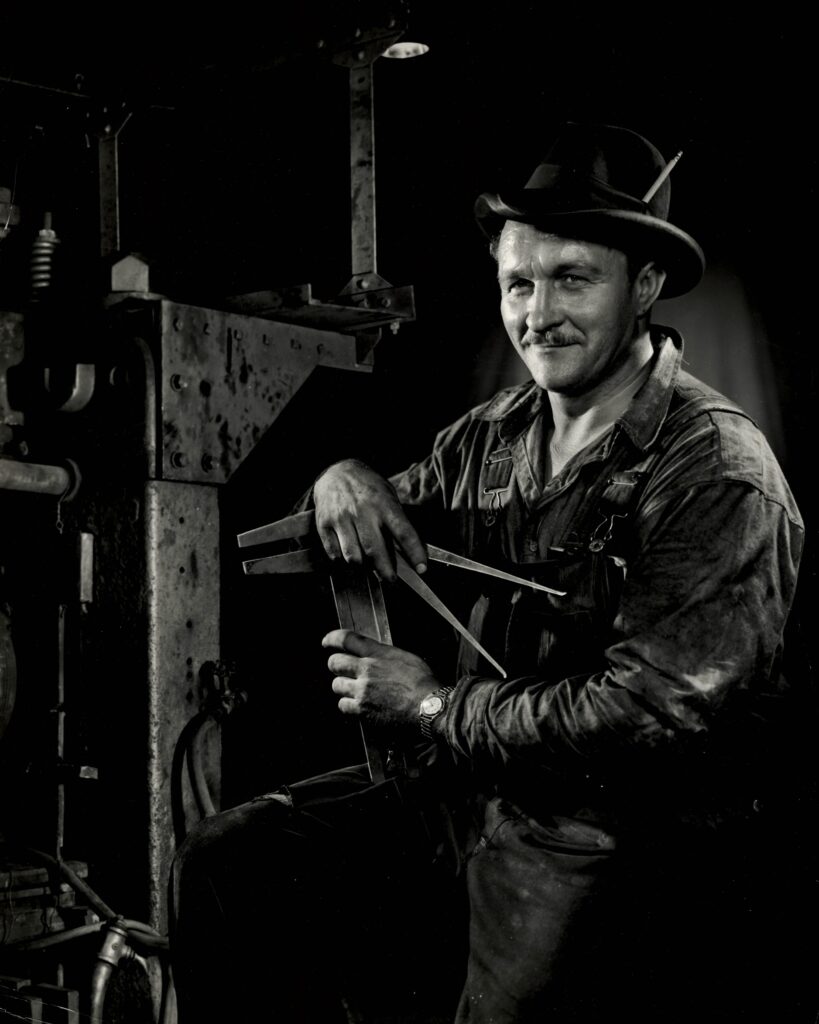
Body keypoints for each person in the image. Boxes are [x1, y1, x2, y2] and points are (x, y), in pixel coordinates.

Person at [170, 122, 810, 1023]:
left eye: (572, 279)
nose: (537, 313)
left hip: (612, 829)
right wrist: (340, 478)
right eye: (519, 282)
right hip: (467, 788)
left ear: (646, 286)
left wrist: (429, 706)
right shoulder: (493, 435)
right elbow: (387, 505)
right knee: (234, 861)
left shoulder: (715, 473)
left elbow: (648, 717)